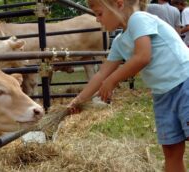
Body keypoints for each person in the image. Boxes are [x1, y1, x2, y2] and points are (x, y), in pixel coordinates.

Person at [67, 0, 189, 171]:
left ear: (119, 4)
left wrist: (112, 80)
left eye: (99, 13)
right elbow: (101, 74)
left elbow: (142, 56)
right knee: (170, 151)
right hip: (162, 95)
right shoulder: (119, 42)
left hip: (184, 84)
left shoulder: (139, 19)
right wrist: (79, 100)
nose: (97, 20)